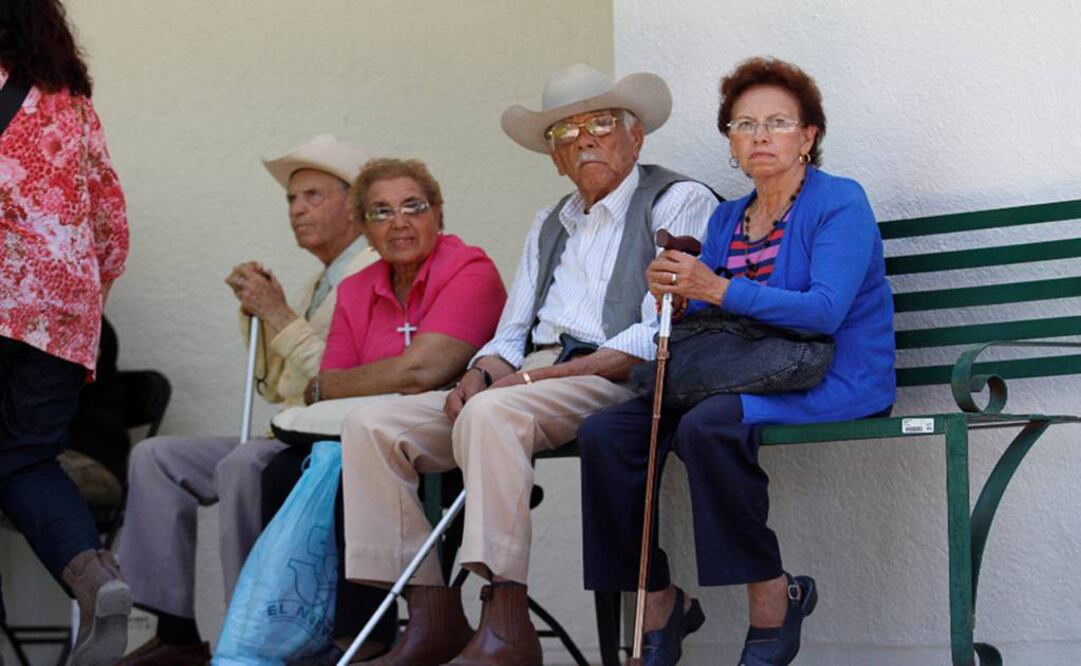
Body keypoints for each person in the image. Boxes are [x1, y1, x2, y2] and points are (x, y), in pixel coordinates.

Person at [339, 63, 719, 665]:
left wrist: (542, 378)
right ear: (555, 157)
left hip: (616, 374)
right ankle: (430, 612)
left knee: (493, 414)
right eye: (566, 132)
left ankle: (506, 622)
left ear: (635, 135)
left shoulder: (678, 199)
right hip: (533, 377)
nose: (585, 139)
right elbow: (512, 333)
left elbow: (661, 331)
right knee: (371, 426)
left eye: (600, 123)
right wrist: (479, 372)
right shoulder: (549, 222)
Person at [576, 57, 897, 666]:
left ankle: (774, 597)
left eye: (778, 122)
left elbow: (825, 311)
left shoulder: (839, 204)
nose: (760, 136)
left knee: (708, 425)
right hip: (743, 374)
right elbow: (713, 322)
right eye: (744, 125)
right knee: (606, 433)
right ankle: (661, 599)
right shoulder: (728, 217)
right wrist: (671, 290)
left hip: (835, 377)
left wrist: (716, 288)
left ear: (808, 137)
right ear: (731, 141)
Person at [116, 134, 379, 665]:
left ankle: (251, 629)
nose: (296, 210)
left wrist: (278, 314)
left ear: (353, 205)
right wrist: (259, 313)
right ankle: (177, 631)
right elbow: (279, 387)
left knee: (242, 462)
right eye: (290, 200)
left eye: (311, 196)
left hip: (333, 443)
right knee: (156, 457)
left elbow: (339, 375)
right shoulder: (317, 283)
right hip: (287, 431)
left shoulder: (370, 271)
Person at [258, 157, 506, 664]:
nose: (399, 222)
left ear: (439, 212)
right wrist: (354, 381)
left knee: (355, 463)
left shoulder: (469, 269)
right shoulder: (357, 286)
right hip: (373, 432)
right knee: (281, 469)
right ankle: (299, 625)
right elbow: (333, 387)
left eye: (413, 207)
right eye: (381, 212)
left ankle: (364, 637)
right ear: (364, 228)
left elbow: (425, 371)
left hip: (450, 442)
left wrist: (351, 381)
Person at [0, 0, 132, 663]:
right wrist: (75, 303)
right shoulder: (70, 103)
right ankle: (94, 577)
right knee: (25, 459)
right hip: (56, 317)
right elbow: (111, 227)